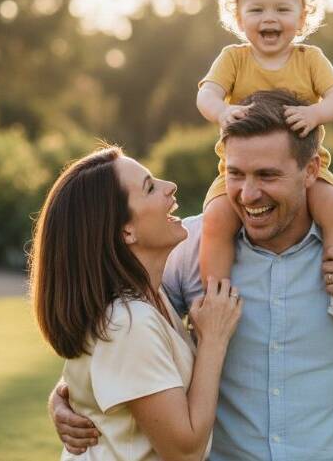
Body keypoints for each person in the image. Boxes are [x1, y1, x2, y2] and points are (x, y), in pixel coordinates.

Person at [51, 90, 333, 460]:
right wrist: (69, 397)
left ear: (312, 170)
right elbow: (122, 334)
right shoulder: (188, 247)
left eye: (267, 175)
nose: (248, 195)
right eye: (235, 174)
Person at [29, 146, 242, 460]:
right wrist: (213, 339)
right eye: (150, 187)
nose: (170, 186)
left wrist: (62, 396)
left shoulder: (151, 300)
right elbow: (185, 451)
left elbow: (110, 373)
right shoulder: (129, 322)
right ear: (125, 230)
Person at [196, 0, 333, 321]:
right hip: (236, 171)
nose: (269, 18)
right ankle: (215, 301)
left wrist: (316, 112)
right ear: (239, 18)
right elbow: (206, 94)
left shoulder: (310, 59)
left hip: (304, 169)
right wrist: (223, 111)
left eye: (282, 9)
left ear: (302, 18)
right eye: (256, 10)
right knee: (215, 220)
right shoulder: (233, 59)